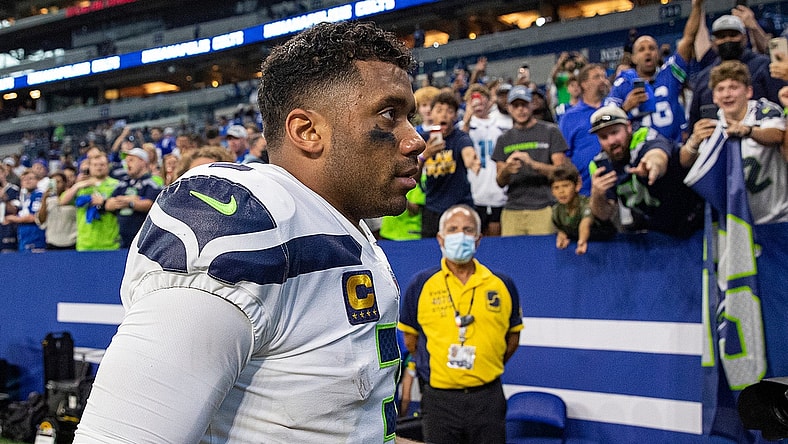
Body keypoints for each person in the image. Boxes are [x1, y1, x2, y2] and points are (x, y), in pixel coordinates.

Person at [74, 21, 425, 443]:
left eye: (410, 117)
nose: (415, 140)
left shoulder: (338, 223)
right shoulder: (245, 222)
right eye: (390, 114)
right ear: (308, 131)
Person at [398, 204, 523, 444]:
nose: (460, 235)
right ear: (440, 238)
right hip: (439, 401)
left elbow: (512, 339)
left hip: (488, 398)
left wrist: (486, 364)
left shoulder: (501, 284)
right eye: (453, 229)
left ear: (478, 239)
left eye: (467, 230)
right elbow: (411, 341)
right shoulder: (421, 284)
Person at [681, 60, 786, 224]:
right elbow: (685, 161)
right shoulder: (711, 125)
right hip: (738, 224)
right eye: (720, 89)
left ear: (749, 91)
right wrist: (693, 142)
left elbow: (778, 135)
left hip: (777, 218)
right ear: (714, 97)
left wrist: (748, 131)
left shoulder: (764, 111)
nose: (727, 94)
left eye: (733, 87)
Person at [588, 105, 703, 237]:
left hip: (691, 220)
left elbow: (657, 154)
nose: (611, 141)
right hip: (652, 231)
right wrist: (597, 195)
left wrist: (652, 166)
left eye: (615, 132)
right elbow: (604, 214)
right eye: (604, 137)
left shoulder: (644, 136)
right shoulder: (599, 165)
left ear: (628, 127)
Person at [604, 0, 703, 143]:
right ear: (634, 57)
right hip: (639, 156)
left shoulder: (670, 74)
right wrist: (625, 107)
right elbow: (604, 118)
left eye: (651, 48)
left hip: (673, 150)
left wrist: (697, 7)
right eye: (641, 49)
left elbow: (688, 39)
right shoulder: (622, 83)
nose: (647, 53)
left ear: (658, 53)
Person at [689, 9, 786, 132]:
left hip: (764, 140)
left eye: (733, 35)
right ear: (713, 42)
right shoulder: (704, 77)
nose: (727, 40)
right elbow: (694, 121)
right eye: (721, 36)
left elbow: (781, 106)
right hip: (718, 144)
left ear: (744, 37)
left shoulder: (763, 66)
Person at [492, 85, 569, 236]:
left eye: (524, 104)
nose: (520, 110)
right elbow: (500, 181)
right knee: (512, 258)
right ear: (509, 108)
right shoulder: (503, 139)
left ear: (532, 104)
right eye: (516, 106)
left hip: (544, 207)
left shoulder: (550, 131)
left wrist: (533, 164)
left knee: (544, 255)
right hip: (512, 209)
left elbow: (561, 172)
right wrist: (506, 170)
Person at [419, 91, 478, 238]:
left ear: (455, 116)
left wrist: (472, 161)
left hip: (460, 206)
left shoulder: (460, 137)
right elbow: (413, 176)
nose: (444, 115)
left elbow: (468, 152)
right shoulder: (422, 140)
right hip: (432, 208)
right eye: (439, 110)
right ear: (431, 114)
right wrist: (425, 155)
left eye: (449, 111)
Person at [461, 84, 509, 236]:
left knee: (496, 235)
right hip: (475, 190)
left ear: (490, 101)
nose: (478, 103)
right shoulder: (463, 127)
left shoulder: (503, 123)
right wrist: (467, 119)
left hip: (499, 191)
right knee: (475, 235)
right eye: (473, 99)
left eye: (482, 99)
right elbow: (460, 140)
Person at [559, 63, 611, 196]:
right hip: (585, 191)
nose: (603, 80)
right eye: (597, 77)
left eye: (604, 77)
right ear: (584, 84)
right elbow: (563, 157)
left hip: (616, 185)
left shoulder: (613, 109)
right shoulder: (569, 117)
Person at [59, 152, 120, 251]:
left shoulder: (116, 185)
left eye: (102, 165)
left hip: (109, 243)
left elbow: (120, 206)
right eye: (95, 165)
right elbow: (62, 201)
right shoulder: (81, 186)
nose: (99, 167)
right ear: (89, 167)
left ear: (108, 166)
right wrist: (77, 185)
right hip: (85, 243)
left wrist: (104, 202)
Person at [550, 164, 615, 255]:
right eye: (556, 187)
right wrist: (562, 234)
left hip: (609, 246)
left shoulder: (587, 203)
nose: (561, 191)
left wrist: (582, 241)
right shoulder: (556, 210)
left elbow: (585, 223)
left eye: (566, 186)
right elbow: (561, 228)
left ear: (577, 185)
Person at [104, 148, 162, 248]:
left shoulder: (151, 182)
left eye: (131, 160)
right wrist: (131, 200)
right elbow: (108, 204)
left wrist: (130, 204)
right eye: (126, 161)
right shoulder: (123, 183)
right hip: (122, 240)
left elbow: (150, 204)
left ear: (143, 162)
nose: (127, 164)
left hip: (145, 240)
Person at [4, 169, 46, 252]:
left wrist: (13, 219)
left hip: (35, 237)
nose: (27, 181)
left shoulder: (39, 195)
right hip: (24, 238)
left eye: (30, 178)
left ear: (37, 180)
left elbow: (35, 217)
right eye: (24, 179)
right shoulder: (24, 197)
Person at [35, 171, 77, 250]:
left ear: (65, 183)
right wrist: (44, 199)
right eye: (53, 182)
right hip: (52, 243)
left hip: (71, 242)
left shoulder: (73, 199)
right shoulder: (48, 201)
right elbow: (41, 220)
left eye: (58, 182)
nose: (56, 185)